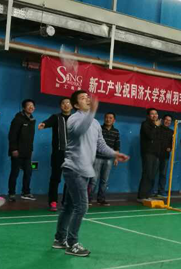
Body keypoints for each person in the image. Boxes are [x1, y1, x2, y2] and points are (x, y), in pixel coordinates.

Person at [53, 91, 129, 256]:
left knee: (70, 206)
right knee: (82, 206)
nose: (87, 99)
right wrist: (92, 111)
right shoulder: (73, 119)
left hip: (85, 170)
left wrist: (115, 154)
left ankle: (59, 239)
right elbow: (80, 130)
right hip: (73, 169)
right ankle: (72, 244)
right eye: (82, 98)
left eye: (88, 97)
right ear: (75, 105)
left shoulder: (95, 123)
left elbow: (101, 145)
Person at [38, 97, 73, 211]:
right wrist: (43, 124)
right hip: (58, 153)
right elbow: (48, 122)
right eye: (63, 103)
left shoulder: (76, 119)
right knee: (55, 178)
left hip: (72, 154)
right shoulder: (55, 117)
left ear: (72, 106)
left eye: (68, 103)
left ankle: (66, 202)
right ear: (60, 106)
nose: (66, 105)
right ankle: (53, 201)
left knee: (70, 179)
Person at [89, 112, 120, 207]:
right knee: (93, 180)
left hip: (109, 159)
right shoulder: (99, 129)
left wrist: (116, 158)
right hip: (97, 158)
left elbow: (117, 145)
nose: (108, 119)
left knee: (104, 181)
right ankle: (88, 199)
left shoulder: (116, 132)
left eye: (110, 118)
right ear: (104, 118)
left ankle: (101, 199)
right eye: (106, 117)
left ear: (114, 120)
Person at [8, 99, 36, 202]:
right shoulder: (17, 119)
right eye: (28, 105)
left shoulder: (32, 120)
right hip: (17, 152)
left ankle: (26, 192)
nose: (31, 107)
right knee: (14, 173)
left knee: (28, 172)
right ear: (24, 108)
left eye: (32, 105)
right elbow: (12, 135)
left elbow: (31, 138)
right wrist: (14, 149)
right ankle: (11, 193)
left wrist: (31, 150)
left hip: (27, 152)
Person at [137, 108, 162, 202]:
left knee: (152, 175)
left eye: (156, 113)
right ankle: (141, 196)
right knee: (147, 173)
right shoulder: (145, 124)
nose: (154, 115)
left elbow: (159, 139)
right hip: (148, 153)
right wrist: (156, 126)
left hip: (156, 153)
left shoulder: (158, 126)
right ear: (148, 116)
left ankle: (147, 195)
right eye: (152, 114)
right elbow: (150, 136)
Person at [153, 114, 174, 198]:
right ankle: (151, 191)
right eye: (166, 119)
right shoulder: (157, 129)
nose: (167, 121)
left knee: (163, 174)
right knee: (153, 173)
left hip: (165, 156)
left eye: (169, 120)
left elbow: (173, 143)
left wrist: (170, 148)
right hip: (156, 155)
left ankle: (161, 191)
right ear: (162, 120)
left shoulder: (172, 132)